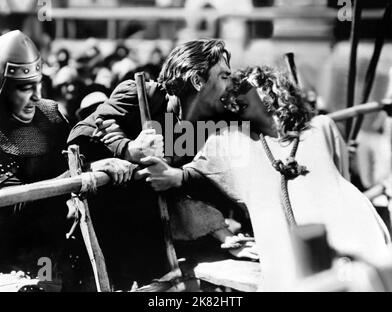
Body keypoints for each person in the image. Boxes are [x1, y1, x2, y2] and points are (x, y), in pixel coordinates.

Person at [143, 65, 392, 266]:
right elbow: (196, 174)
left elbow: (343, 180)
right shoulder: (232, 138)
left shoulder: (322, 127)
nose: (232, 98)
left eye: (240, 88)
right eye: (229, 96)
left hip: (355, 230)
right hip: (289, 247)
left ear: (266, 87)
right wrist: (172, 175)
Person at [67, 39, 258, 288]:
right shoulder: (142, 95)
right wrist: (128, 148)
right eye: (222, 76)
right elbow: (79, 134)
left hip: (168, 237)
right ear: (198, 81)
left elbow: (208, 177)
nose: (227, 85)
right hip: (114, 238)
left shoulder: (209, 120)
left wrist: (226, 235)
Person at [0, 30, 136, 291]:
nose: (31, 95)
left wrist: (113, 146)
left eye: (34, 82)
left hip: (61, 240)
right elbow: (13, 207)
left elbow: (74, 159)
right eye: (21, 86)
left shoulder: (49, 115)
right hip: (13, 254)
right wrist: (83, 174)